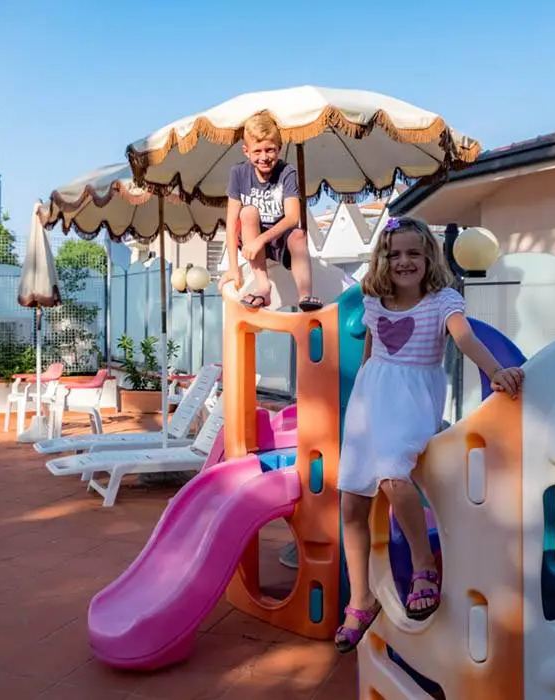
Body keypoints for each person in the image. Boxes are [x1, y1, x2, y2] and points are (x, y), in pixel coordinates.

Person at [333, 216, 525, 654]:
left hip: (413, 397)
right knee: (351, 502)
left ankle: (424, 566)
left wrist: (496, 371)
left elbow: (465, 339)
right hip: (371, 401)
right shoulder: (375, 299)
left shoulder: (443, 301)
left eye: (413, 253)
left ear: (428, 258)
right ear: (383, 259)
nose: (404, 261)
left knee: (394, 479)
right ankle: (360, 599)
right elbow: (370, 352)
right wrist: (360, 398)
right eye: (395, 253)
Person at [222, 113, 321, 312]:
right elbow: (231, 223)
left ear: (280, 149)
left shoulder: (287, 172)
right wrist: (233, 268)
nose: (264, 157)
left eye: (270, 150)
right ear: (246, 152)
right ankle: (263, 287)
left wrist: (263, 239)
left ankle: (305, 295)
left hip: (279, 241)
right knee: (247, 212)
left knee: (299, 234)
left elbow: (293, 217)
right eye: (257, 151)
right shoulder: (238, 173)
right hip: (252, 241)